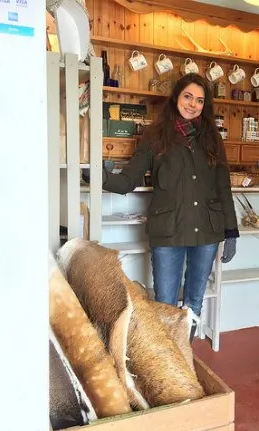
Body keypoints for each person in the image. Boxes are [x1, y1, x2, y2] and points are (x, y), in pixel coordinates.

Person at [91, 73, 239, 341]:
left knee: (194, 299)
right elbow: (128, 181)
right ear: (176, 97)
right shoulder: (155, 135)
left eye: (200, 100)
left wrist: (231, 231)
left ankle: (184, 354)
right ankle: (166, 360)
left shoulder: (212, 138)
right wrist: (101, 177)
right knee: (165, 303)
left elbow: (223, 186)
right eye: (188, 96)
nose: (193, 104)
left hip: (206, 230)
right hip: (168, 232)